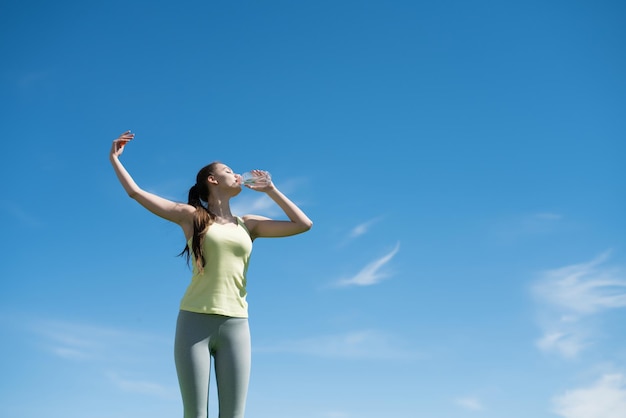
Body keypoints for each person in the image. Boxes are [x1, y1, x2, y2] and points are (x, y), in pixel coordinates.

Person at [109, 130, 313, 418]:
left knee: (233, 415)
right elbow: (136, 193)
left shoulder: (249, 225)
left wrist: (271, 190)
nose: (236, 174)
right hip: (195, 319)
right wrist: (114, 160)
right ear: (212, 180)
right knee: (195, 414)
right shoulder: (191, 216)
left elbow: (303, 224)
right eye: (228, 170)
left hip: (237, 322)